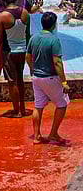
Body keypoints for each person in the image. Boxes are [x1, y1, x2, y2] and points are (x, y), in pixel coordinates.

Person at [28, 11, 70, 144]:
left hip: (36, 78)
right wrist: (63, 82)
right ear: (53, 25)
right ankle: (53, 134)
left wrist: (32, 69)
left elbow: (28, 57)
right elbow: (57, 62)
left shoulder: (33, 38)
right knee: (62, 104)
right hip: (50, 77)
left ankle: (36, 136)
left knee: (38, 106)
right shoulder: (54, 40)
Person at [0, 0, 31, 118]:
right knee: (20, 79)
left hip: (9, 52)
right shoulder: (25, 13)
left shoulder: (2, 16)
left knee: (12, 81)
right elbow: (28, 35)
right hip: (23, 51)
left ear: (3, 0)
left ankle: (17, 111)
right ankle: (23, 108)